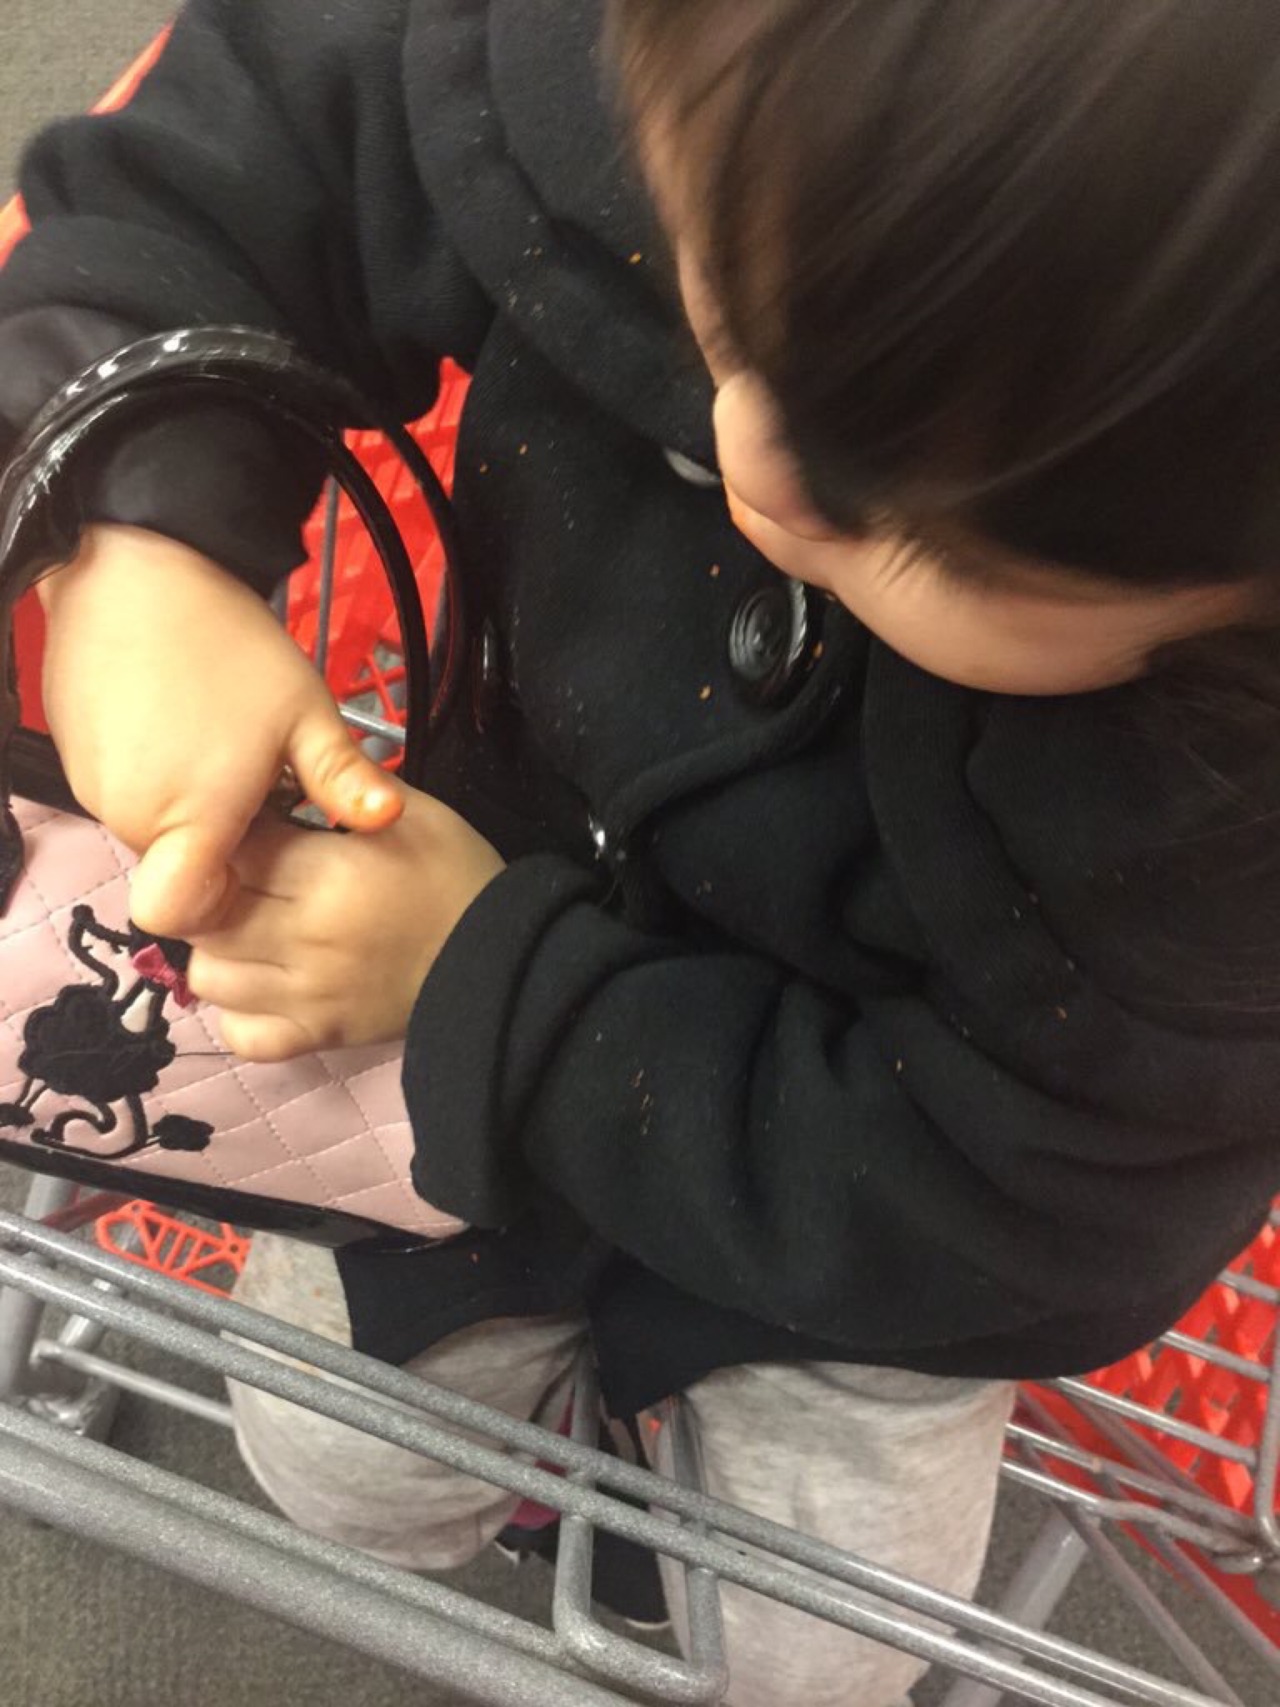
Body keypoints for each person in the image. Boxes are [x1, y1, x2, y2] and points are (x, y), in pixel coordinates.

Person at [3, 2, 1280, 1700]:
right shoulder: (713, 73)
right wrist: (133, 524)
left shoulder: (1225, 843)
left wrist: (500, 997)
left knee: (807, 1671)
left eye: (938, 539)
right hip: (461, 924)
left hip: (869, 1186)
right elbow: (250, 142)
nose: (755, 465)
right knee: (339, 1472)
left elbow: (1036, 1205)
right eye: (717, 314)